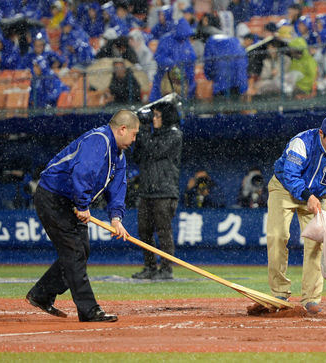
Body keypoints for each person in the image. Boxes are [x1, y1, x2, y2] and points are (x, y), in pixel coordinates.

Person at [26, 110, 140, 322]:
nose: (134, 139)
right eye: (134, 134)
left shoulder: (119, 155)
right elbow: (83, 172)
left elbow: (117, 188)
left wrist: (116, 218)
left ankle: (41, 294)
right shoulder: (98, 140)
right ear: (122, 129)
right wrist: (82, 204)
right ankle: (89, 310)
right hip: (53, 197)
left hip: (71, 201)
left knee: (82, 250)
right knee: (74, 252)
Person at [252, 114, 326, 315]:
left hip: (317, 195)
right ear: (321, 133)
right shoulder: (302, 143)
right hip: (285, 189)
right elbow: (290, 175)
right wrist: (307, 196)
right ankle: (279, 293)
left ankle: (311, 298)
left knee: (317, 244)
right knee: (277, 236)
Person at [131, 100, 183, 280]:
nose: (153, 119)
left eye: (157, 116)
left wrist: (144, 127)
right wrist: (141, 132)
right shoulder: (150, 136)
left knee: (163, 232)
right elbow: (137, 155)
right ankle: (150, 267)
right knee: (143, 231)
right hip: (147, 190)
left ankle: (166, 269)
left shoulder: (174, 135)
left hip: (165, 191)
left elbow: (155, 150)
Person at [150, 18, 197, 101]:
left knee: (181, 105)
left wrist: (190, 82)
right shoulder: (166, 39)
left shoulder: (186, 42)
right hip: (165, 78)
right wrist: (172, 64)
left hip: (181, 81)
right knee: (161, 105)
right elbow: (159, 57)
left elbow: (191, 60)